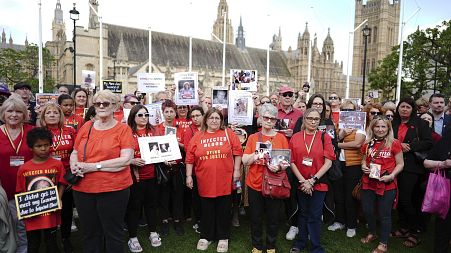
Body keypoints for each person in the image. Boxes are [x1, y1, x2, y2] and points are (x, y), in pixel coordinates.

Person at [69, 90, 134, 253]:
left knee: (113, 234)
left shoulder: (123, 130)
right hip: (83, 189)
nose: (101, 106)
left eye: (106, 103)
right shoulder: (86, 126)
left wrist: (93, 166)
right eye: (98, 103)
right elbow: (75, 152)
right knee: (90, 233)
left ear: (115, 106)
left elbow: (125, 160)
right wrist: (74, 165)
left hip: (113, 189)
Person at [185, 108, 242, 252]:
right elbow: (190, 158)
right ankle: (206, 236)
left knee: (223, 208)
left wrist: (236, 171)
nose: (214, 121)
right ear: (206, 120)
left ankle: (223, 237)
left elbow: (237, 152)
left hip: (225, 179)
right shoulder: (198, 136)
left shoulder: (229, 134)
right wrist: (188, 175)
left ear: (221, 120)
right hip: (205, 180)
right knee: (207, 209)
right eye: (211, 118)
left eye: (217, 118)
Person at [242, 103, 289, 253]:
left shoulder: (281, 138)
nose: (269, 121)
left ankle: (270, 245)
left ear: (276, 121)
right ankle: (257, 245)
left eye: (272, 119)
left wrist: (280, 167)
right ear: (260, 119)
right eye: (266, 118)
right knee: (255, 217)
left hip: (274, 183)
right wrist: (258, 154)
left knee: (273, 217)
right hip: (255, 183)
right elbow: (245, 161)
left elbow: (286, 162)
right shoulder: (253, 137)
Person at [289, 108, 335, 253]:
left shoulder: (324, 137)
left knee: (315, 215)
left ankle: (316, 246)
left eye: (316, 119)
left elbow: (328, 163)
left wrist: (312, 181)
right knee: (303, 213)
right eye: (310, 118)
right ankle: (301, 242)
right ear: (304, 119)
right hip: (302, 183)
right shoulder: (295, 137)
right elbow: (292, 161)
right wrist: (304, 181)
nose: (313, 121)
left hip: (318, 182)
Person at [391, 97, 432, 247]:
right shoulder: (393, 123)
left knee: (407, 199)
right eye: (402, 106)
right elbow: (386, 139)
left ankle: (416, 230)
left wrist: (410, 146)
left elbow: (429, 142)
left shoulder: (421, 123)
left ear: (413, 109)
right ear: (398, 108)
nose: (404, 109)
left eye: (408, 107)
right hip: (394, 165)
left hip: (412, 167)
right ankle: (404, 227)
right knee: (399, 198)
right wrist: (398, 145)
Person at [16, 127, 66, 253]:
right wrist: (23, 209)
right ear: (31, 147)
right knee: (33, 244)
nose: (43, 149)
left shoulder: (57, 164)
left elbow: (62, 182)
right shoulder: (24, 168)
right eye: (39, 146)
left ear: (50, 145)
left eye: (46, 145)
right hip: (32, 216)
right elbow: (21, 191)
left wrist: (58, 199)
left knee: (52, 244)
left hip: (51, 213)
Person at [360, 116, 404, 253]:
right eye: (377, 126)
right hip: (368, 182)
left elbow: (401, 164)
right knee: (367, 210)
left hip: (387, 183)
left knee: (385, 214)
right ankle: (373, 232)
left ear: (388, 128)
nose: (380, 129)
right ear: (372, 128)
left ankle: (383, 243)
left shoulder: (394, 143)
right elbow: (363, 160)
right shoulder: (367, 143)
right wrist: (363, 166)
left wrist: (391, 175)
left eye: (383, 126)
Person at [39, 103, 77, 253]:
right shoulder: (39, 132)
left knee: (66, 211)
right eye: (49, 112)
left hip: (67, 177)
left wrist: (71, 177)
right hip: (46, 178)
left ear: (60, 115)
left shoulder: (70, 130)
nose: (52, 115)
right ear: (43, 116)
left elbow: (77, 152)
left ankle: (65, 239)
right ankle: (51, 241)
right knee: (49, 212)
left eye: (55, 112)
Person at [0, 94, 34, 253]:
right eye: (9, 111)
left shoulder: (32, 132)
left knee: (22, 227)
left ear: (24, 114)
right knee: (4, 227)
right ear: (3, 114)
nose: (14, 115)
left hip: (25, 189)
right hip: (2, 190)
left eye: (18, 111)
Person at [125, 105, 161, 252]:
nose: (144, 118)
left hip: (152, 174)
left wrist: (166, 157)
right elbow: (119, 152)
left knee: (151, 205)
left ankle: (153, 232)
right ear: (133, 116)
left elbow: (161, 148)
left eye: (146, 115)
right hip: (134, 176)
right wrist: (132, 160)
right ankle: (132, 237)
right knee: (134, 207)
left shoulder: (154, 130)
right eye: (140, 115)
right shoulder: (127, 132)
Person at [328, 100, 365, 238]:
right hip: (338, 164)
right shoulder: (337, 126)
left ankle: (351, 225)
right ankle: (339, 221)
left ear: (356, 111)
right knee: (338, 194)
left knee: (350, 196)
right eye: (345, 110)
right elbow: (328, 142)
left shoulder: (360, 126)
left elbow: (357, 144)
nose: (348, 113)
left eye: (351, 110)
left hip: (353, 165)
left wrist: (338, 144)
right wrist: (341, 136)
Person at [155, 99, 185, 236]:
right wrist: (163, 159)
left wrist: (178, 144)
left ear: (175, 113)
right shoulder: (157, 129)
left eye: (171, 111)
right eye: (166, 111)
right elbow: (154, 148)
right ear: (163, 113)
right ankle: (164, 222)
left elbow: (187, 147)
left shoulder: (180, 129)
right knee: (163, 197)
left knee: (178, 196)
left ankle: (178, 221)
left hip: (177, 167)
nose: (168, 114)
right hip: (163, 167)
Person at [423, 127, 451, 253]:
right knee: (443, 224)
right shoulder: (446, 140)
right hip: (445, 190)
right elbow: (426, 162)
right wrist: (443, 164)